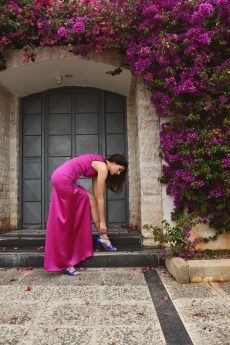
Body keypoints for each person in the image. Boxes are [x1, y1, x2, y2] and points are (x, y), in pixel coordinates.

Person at [44, 153, 128, 276]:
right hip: (63, 180)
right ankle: (68, 262)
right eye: (119, 169)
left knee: (90, 201)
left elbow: (96, 196)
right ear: (113, 163)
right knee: (69, 222)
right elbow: (100, 197)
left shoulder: (99, 165)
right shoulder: (103, 168)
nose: (118, 173)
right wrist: (103, 222)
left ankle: (103, 237)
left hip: (59, 177)